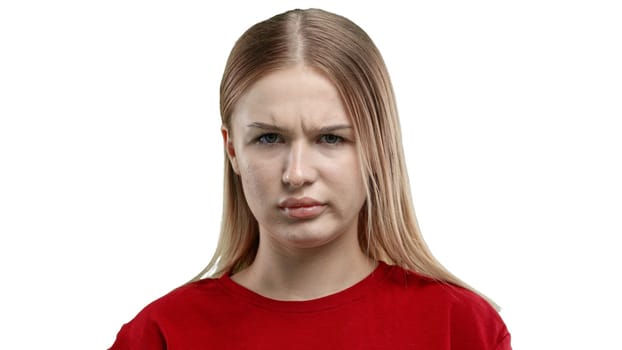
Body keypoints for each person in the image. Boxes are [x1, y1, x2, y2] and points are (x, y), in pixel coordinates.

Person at [109, 8, 511, 349]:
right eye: (269, 138)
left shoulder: (461, 329)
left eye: (331, 138)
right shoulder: (160, 335)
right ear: (232, 149)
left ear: (376, 146)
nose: (296, 173)